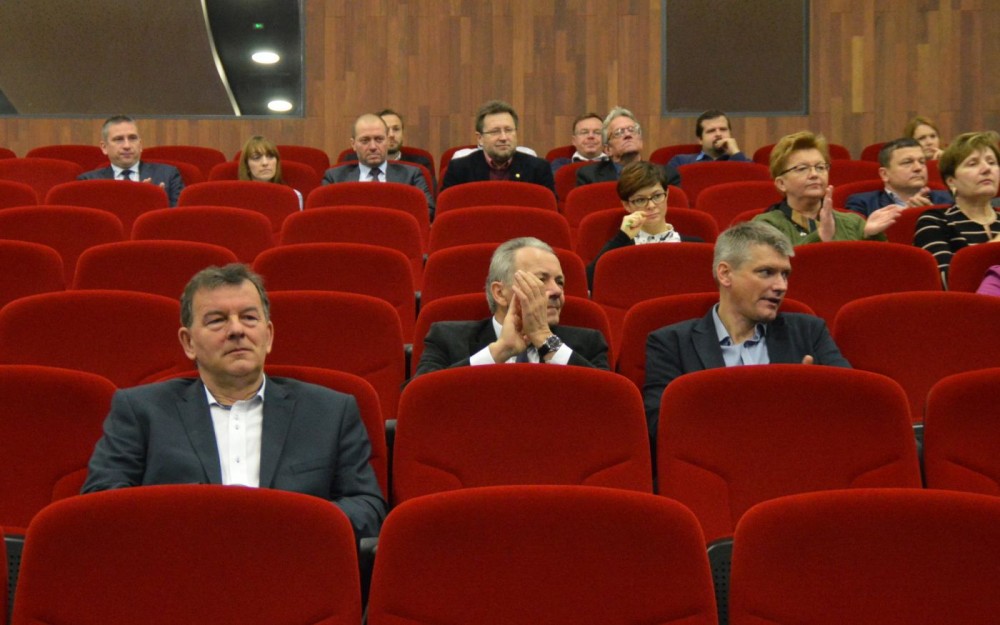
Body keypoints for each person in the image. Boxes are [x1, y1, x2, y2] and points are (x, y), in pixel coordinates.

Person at [82, 264, 386, 540]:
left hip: (291, 567)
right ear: (188, 342)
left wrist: (286, 524)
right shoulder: (140, 411)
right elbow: (100, 501)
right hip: (177, 567)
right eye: (217, 320)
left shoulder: (330, 412)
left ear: (268, 335)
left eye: (249, 318)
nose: (237, 330)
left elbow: (368, 509)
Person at [643, 221, 850, 438]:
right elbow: (660, 428)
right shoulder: (671, 343)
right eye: (766, 272)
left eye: (785, 274)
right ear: (725, 274)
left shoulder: (809, 332)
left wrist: (815, 396)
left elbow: (852, 404)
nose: (781, 286)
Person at [414, 237, 609, 376]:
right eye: (541, 280)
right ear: (500, 293)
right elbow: (419, 400)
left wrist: (545, 339)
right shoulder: (447, 338)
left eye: (560, 282)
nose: (557, 290)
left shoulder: (589, 344)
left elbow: (609, 402)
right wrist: (499, 351)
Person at [754, 130, 901, 245]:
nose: (814, 174)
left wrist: (870, 236)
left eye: (820, 167)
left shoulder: (854, 223)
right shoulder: (765, 225)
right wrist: (820, 236)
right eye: (802, 168)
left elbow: (877, 269)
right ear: (781, 183)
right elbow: (775, 270)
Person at [586, 161, 703, 287]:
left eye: (657, 196)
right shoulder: (620, 251)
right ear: (626, 205)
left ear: (667, 195)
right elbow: (588, 281)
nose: (651, 205)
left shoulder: (695, 246)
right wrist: (621, 237)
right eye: (640, 200)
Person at [914, 131, 1000, 283]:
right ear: (951, 181)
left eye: (992, 162)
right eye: (973, 163)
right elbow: (946, 282)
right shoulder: (935, 221)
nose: (987, 169)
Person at [322, 113, 435, 217]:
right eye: (365, 140)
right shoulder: (335, 178)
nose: (373, 147)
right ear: (353, 144)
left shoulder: (411, 175)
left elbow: (427, 210)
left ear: (387, 141)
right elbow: (324, 214)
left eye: (379, 139)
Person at [440, 100, 556, 195]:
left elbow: (549, 211)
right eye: (495, 131)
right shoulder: (459, 169)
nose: (503, 137)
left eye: (509, 130)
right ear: (480, 138)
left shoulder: (539, 169)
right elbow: (447, 210)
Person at [78, 114, 184, 206]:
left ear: (140, 145)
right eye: (119, 139)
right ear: (104, 147)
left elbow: (177, 217)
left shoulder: (168, 174)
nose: (127, 146)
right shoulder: (88, 182)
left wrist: (156, 201)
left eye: (132, 138)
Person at [845, 138, 954, 216]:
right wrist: (906, 215)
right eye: (907, 162)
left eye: (922, 162)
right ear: (884, 174)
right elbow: (856, 238)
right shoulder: (863, 203)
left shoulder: (948, 199)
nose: (918, 168)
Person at [576, 106, 680, 187]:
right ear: (608, 149)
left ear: (641, 140)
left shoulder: (666, 175)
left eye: (632, 130)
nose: (628, 135)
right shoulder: (590, 177)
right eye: (619, 132)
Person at [338, 109, 436, 190]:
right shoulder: (347, 165)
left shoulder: (415, 170)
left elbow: (426, 205)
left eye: (396, 129)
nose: (391, 135)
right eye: (387, 130)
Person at [666, 109, 750, 168]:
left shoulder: (743, 160)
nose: (718, 134)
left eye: (723, 129)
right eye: (711, 131)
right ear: (700, 139)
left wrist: (736, 153)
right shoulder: (681, 162)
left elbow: (750, 182)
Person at [238, 135, 303, 208]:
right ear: (247, 165)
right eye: (256, 158)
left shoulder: (293, 195)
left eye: (270, 156)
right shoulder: (236, 196)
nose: (265, 163)